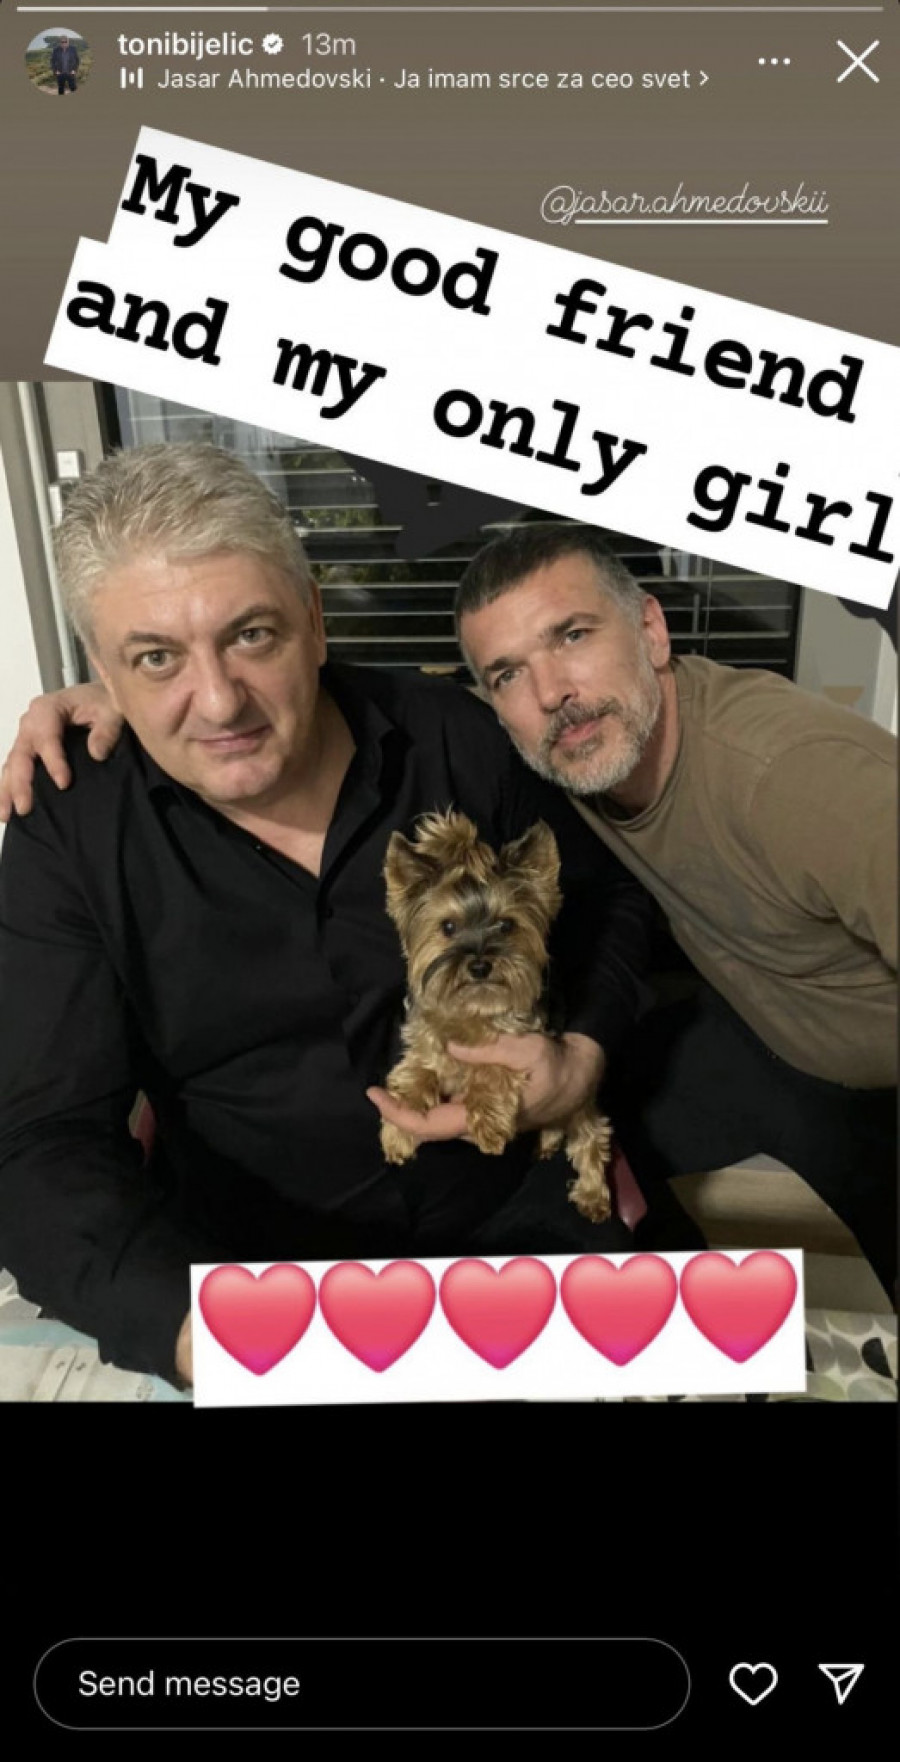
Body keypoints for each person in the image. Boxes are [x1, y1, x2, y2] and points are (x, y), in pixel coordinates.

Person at [0, 448, 653, 1387]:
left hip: (522, 1229)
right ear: (101, 669)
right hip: (255, 1282)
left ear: (312, 618)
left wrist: (581, 1054)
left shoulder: (452, 736)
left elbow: (609, 903)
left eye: (251, 635)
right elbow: (41, 1141)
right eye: (156, 657)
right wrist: (201, 1336)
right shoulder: (70, 826)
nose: (218, 700)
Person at [452, 525, 898, 1301]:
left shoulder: (800, 782)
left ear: (652, 632)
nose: (550, 692)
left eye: (573, 636)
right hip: (766, 1036)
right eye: (507, 675)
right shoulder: (577, 758)